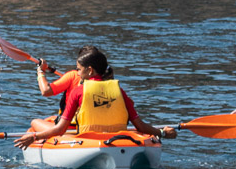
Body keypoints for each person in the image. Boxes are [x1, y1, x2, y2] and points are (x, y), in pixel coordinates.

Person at [16, 46, 169, 148]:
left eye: (79, 69)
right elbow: (140, 127)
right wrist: (162, 132)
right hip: (121, 142)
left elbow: (60, 130)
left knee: (35, 123)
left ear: (89, 71)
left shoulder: (78, 91)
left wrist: (34, 137)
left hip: (86, 141)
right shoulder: (120, 92)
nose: (77, 73)